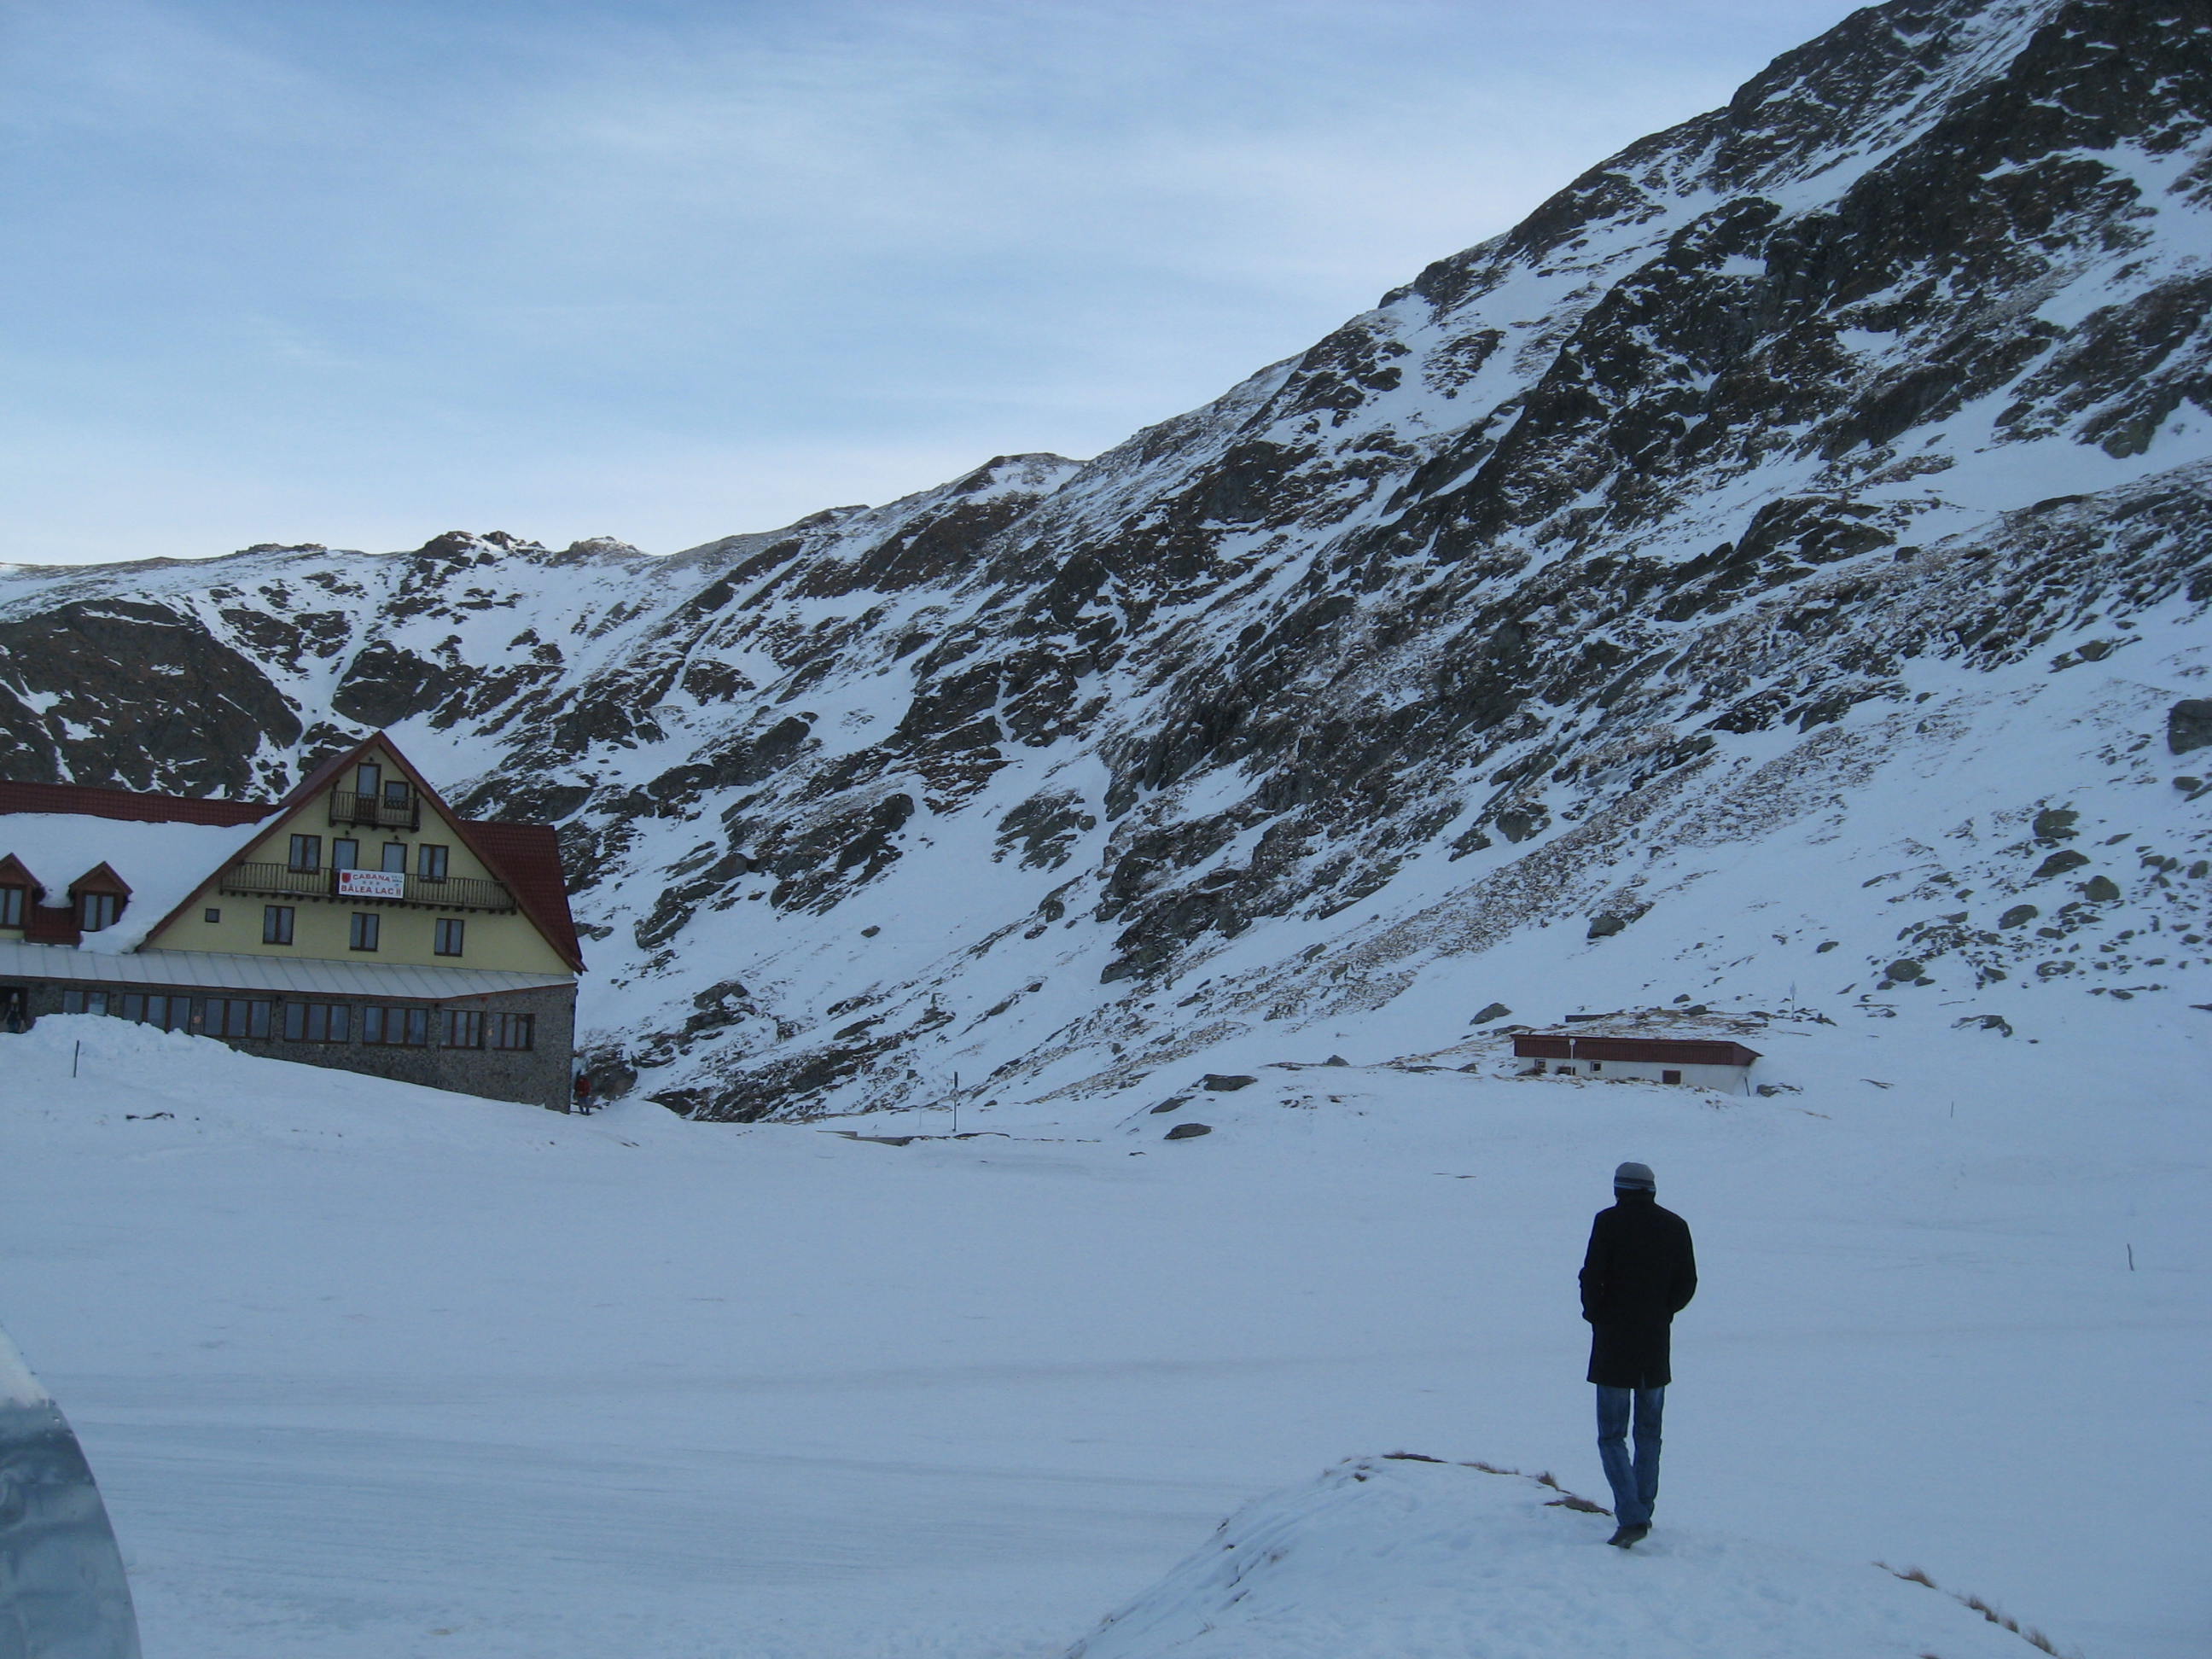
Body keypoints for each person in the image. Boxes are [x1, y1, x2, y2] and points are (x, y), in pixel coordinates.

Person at [1579, 1160, 1697, 1548]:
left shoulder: (1608, 1222)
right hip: (1655, 1343)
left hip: (1613, 1343)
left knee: (1611, 1435)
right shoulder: (1675, 1225)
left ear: (1619, 1189)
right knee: (1649, 1434)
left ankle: (1632, 1516)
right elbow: (1687, 1283)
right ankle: (1642, 1509)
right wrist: (1662, 1313)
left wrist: (1596, 1314)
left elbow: (1591, 1274)